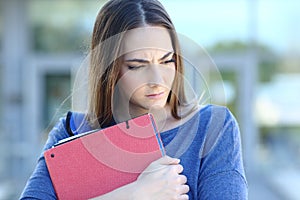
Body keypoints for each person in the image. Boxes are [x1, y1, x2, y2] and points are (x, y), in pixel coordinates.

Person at [20, 0, 248, 199]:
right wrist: (133, 195)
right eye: (137, 66)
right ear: (109, 70)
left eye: (167, 61)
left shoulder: (212, 128)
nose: (158, 80)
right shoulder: (71, 133)